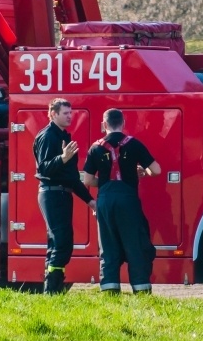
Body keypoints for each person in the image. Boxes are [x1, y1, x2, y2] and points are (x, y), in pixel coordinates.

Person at [83, 109, 161, 294]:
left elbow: (87, 180)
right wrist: (143, 172)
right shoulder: (134, 144)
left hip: (105, 200)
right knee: (134, 244)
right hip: (127, 200)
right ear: (123, 123)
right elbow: (156, 170)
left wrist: (103, 182)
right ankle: (141, 290)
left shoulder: (95, 147)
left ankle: (110, 290)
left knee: (108, 246)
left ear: (104, 125)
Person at [34, 98, 96, 295]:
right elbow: (43, 168)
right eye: (65, 113)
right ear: (53, 114)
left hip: (63, 193)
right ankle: (52, 289)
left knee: (62, 241)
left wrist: (90, 200)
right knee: (61, 241)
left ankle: (54, 287)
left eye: (71, 113)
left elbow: (71, 177)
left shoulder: (65, 138)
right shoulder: (47, 136)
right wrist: (62, 158)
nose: (70, 116)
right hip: (51, 193)